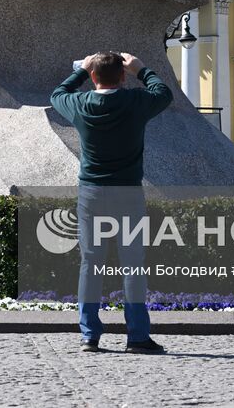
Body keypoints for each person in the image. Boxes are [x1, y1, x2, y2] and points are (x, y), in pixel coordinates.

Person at [50, 51, 172, 355]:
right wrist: (141, 69)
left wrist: (81, 68)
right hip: (128, 194)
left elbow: (57, 94)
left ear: (93, 77)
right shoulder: (135, 103)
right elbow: (163, 92)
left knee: (90, 264)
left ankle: (89, 336)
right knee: (133, 266)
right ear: (122, 76)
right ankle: (138, 337)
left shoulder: (79, 105)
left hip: (91, 193)